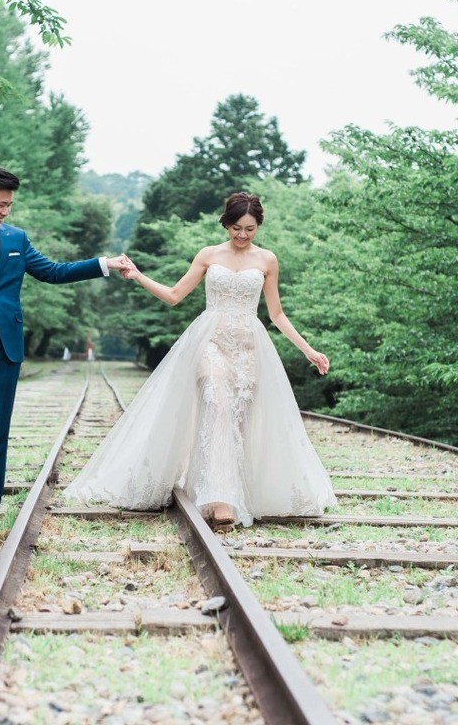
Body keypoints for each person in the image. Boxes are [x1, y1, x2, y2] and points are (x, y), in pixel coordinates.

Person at [62, 192, 336, 529]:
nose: (242, 235)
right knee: (217, 403)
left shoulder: (267, 260)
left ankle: (234, 488)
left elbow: (276, 314)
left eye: (249, 229)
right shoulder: (209, 255)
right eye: (236, 227)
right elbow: (175, 296)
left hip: (249, 345)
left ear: (258, 226)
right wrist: (138, 275)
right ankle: (220, 499)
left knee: (238, 414)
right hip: (210, 341)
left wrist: (308, 350)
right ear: (226, 223)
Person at [0, 166, 130, 534]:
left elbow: (53, 271)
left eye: (10, 205)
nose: (6, 212)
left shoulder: (17, 239)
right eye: (1, 205)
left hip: (6, 347)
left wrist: (104, 264)